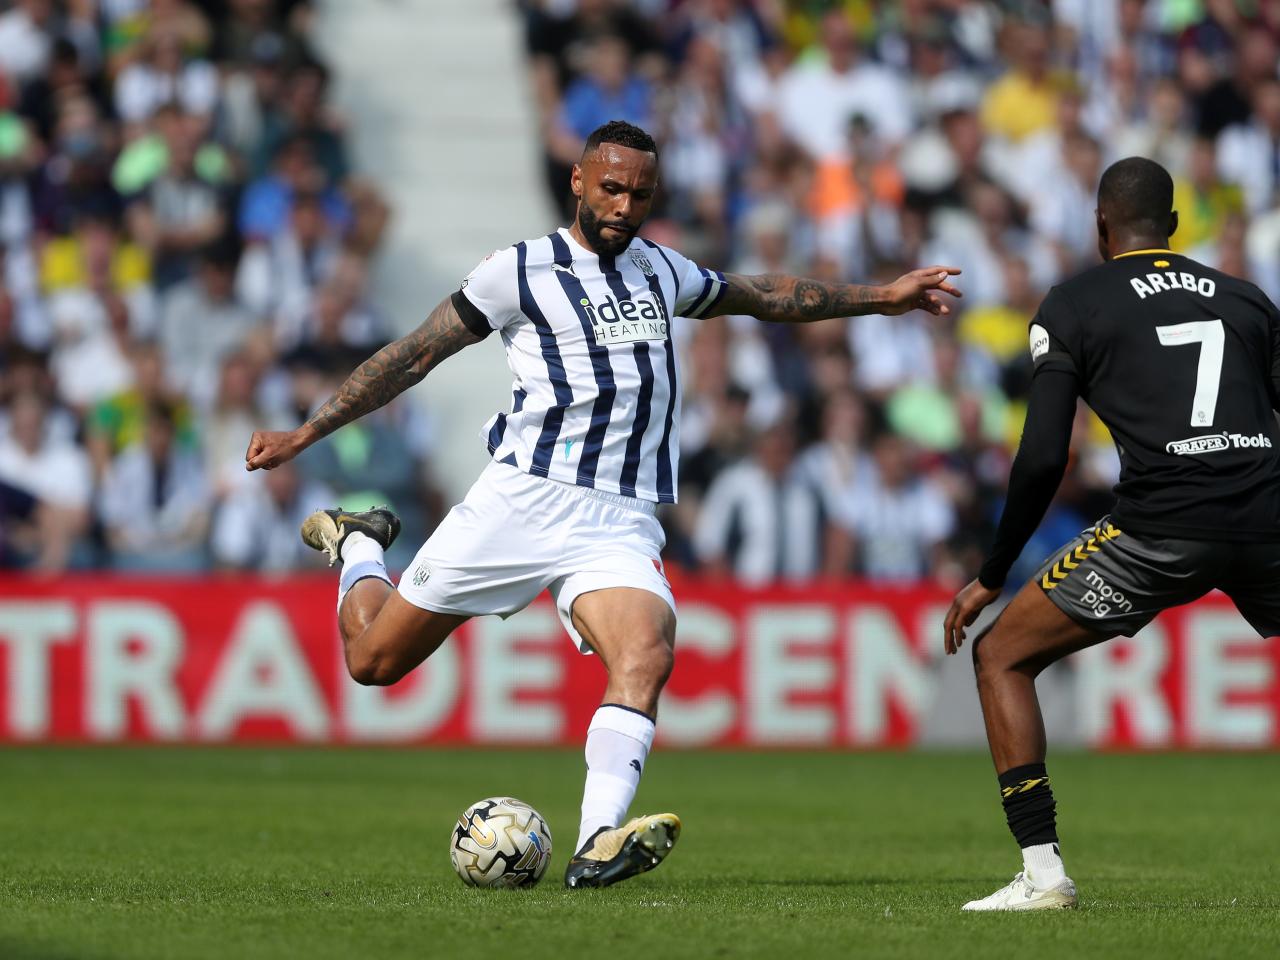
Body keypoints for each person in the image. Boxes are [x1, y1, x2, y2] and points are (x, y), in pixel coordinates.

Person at [244, 120, 961, 890]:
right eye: (612, 188)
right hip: (521, 500)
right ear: (580, 182)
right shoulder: (517, 271)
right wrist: (307, 432)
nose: (625, 206)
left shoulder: (662, 270)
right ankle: (358, 545)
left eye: (640, 193)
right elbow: (414, 354)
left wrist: (879, 297)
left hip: (618, 518)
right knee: (372, 662)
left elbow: (764, 294)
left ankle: (595, 841)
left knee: (646, 652)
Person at [943, 157, 1280, 911]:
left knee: (1000, 654)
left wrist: (994, 570)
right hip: (1266, 517)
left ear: (1101, 225)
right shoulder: (1247, 299)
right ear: (1175, 226)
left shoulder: (1073, 304)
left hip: (1160, 526)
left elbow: (1041, 458)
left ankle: (1043, 874)